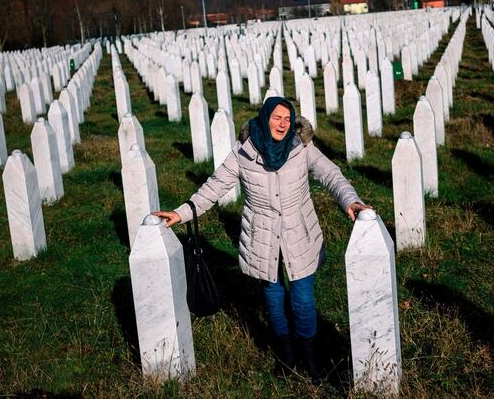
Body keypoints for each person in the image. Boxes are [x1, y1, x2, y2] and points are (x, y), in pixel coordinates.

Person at [153, 97, 371, 382]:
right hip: (262, 239)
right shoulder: (244, 152)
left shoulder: (302, 147)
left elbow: (331, 175)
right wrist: (182, 213)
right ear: (265, 117)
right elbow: (216, 185)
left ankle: (310, 356)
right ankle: (287, 356)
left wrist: (351, 201)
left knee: (303, 301)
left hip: (299, 235)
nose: (282, 124)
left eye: (287, 118)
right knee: (274, 299)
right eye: (276, 117)